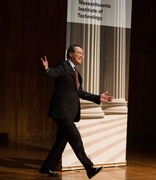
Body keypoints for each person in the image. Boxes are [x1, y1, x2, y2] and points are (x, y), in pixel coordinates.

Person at [39, 44, 113, 179]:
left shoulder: (76, 73)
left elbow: (79, 92)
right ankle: (89, 168)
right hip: (62, 111)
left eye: (83, 54)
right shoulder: (64, 66)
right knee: (76, 139)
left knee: (61, 140)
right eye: (79, 53)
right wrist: (46, 69)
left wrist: (98, 98)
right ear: (70, 54)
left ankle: (47, 167)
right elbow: (54, 72)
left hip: (67, 112)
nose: (82, 56)